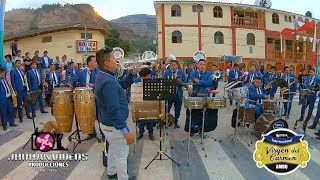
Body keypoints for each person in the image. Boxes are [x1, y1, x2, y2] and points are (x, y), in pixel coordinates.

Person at [95, 48, 136, 180]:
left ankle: (111, 173)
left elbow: (121, 85)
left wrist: (131, 75)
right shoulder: (108, 81)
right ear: (106, 62)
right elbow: (113, 109)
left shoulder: (104, 76)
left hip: (107, 124)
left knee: (113, 149)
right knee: (122, 154)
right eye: (114, 58)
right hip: (114, 126)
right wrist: (125, 131)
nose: (117, 61)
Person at [185, 59, 212, 135]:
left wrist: (199, 81)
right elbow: (189, 81)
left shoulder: (208, 74)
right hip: (194, 96)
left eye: (204, 64)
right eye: (201, 64)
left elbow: (209, 83)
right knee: (193, 113)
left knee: (203, 114)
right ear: (197, 65)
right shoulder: (193, 73)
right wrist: (190, 87)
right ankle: (193, 129)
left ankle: (202, 130)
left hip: (204, 97)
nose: (202, 66)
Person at [135, 68, 156, 141]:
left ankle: (151, 133)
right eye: (148, 76)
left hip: (150, 101)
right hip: (140, 101)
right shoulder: (136, 81)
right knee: (141, 120)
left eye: (150, 75)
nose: (150, 77)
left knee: (150, 119)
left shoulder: (152, 80)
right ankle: (141, 132)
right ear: (143, 77)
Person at [164, 60, 186, 128]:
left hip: (178, 94)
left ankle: (176, 121)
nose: (173, 66)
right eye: (171, 65)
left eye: (174, 65)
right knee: (166, 108)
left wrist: (181, 82)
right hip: (169, 94)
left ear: (177, 65)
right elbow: (164, 81)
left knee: (178, 109)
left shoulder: (181, 72)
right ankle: (166, 121)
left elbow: (185, 82)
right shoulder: (167, 72)